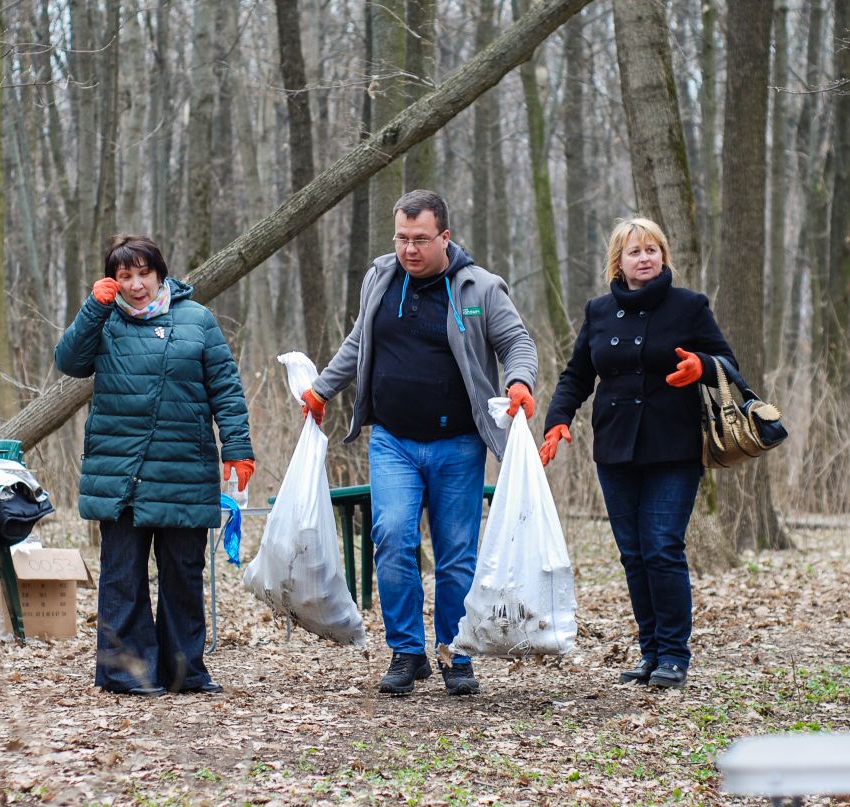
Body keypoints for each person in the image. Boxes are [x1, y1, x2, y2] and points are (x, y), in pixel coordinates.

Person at [302, 190, 538, 696]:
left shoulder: (479, 287)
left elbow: (517, 342)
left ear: (444, 237)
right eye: (402, 238)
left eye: (421, 239)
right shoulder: (380, 278)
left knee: (456, 554)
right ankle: (407, 652)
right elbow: (358, 341)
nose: (410, 249)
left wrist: (519, 381)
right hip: (393, 440)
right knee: (392, 538)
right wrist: (322, 389)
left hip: (459, 443)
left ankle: (455, 654)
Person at [539, 217, 736, 689]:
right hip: (615, 449)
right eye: (634, 251)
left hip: (674, 448)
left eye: (652, 249)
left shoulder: (689, 306)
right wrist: (557, 419)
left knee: (662, 547)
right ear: (619, 261)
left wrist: (702, 365)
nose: (644, 258)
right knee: (634, 554)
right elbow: (576, 375)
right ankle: (650, 653)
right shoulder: (599, 311)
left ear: (663, 256)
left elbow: (729, 365)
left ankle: (674, 655)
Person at [55, 234, 255, 697]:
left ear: (160, 274)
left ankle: (185, 672)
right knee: (123, 575)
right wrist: (93, 307)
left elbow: (226, 388)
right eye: (124, 276)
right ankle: (128, 673)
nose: (136, 284)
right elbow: (69, 361)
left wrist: (238, 448)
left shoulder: (197, 319)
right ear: (113, 281)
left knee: (183, 574)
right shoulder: (104, 320)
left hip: (184, 468)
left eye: (144, 273)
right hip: (119, 471)